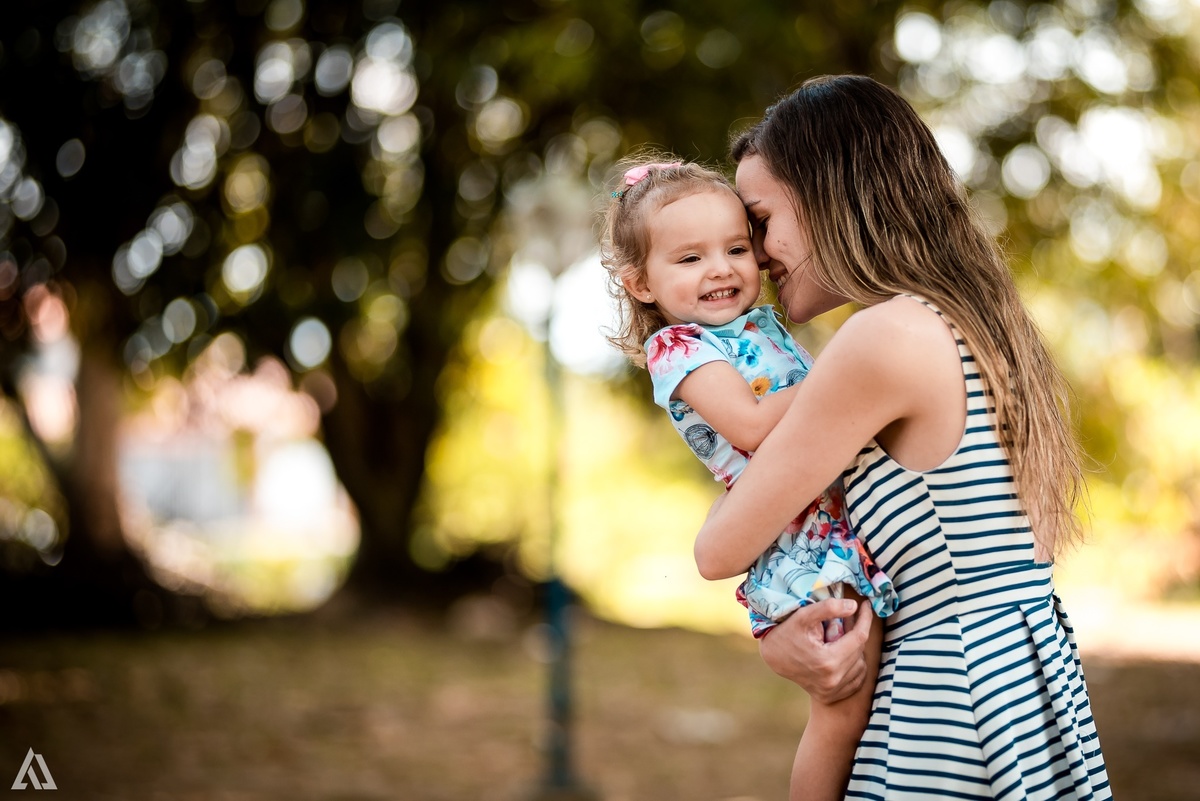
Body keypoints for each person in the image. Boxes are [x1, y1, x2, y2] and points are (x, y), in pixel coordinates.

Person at [695, 74, 1111, 799]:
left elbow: (718, 548)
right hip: (1022, 691)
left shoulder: (882, 339)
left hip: (946, 707)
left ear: (829, 194)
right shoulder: (978, 323)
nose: (756, 255)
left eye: (760, 220)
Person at [600, 154, 898, 801]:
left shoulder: (759, 324)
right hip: (799, 540)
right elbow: (755, 426)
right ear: (641, 283)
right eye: (690, 258)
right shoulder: (680, 348)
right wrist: (851, 375)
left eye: (737, 247)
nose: (721, 268)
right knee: (842, 708)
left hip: (836, 518)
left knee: (879, 696)